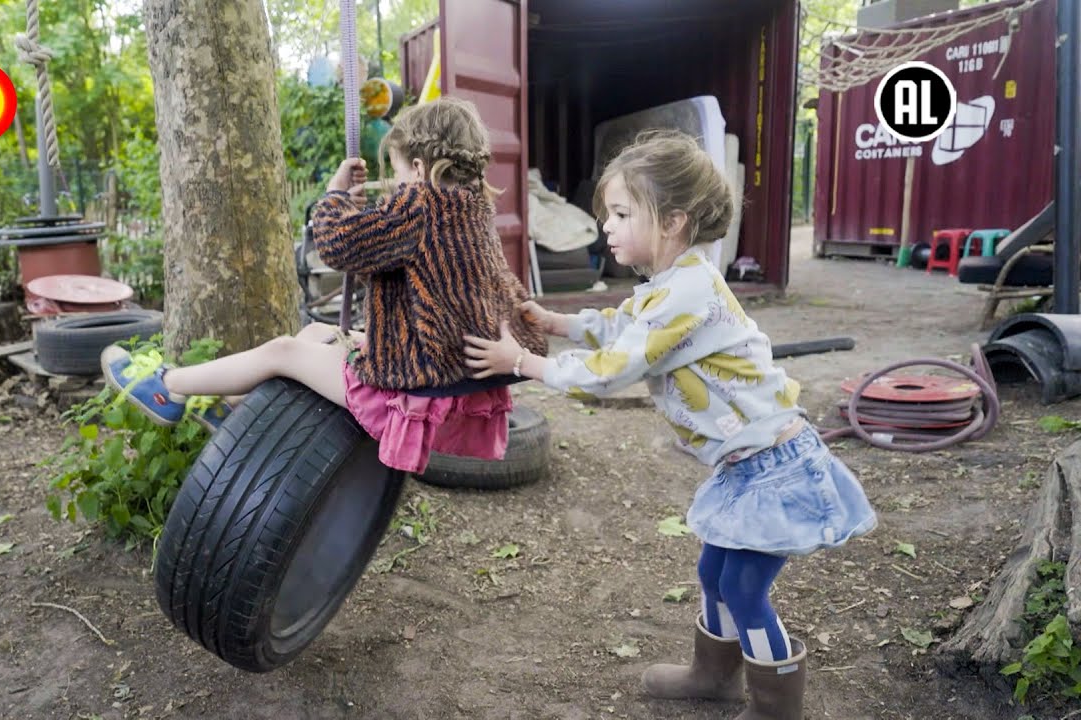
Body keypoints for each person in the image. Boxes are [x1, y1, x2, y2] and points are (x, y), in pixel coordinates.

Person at [463, 131, 876, 720]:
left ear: (674, 221)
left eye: (623, 213)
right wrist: (555, 322)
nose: (607, 225)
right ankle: (713, 676)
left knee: (745, 590)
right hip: (745, 467)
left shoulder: (690, 290)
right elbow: (620, 324)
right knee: (714, 571)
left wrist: (524, 363)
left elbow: (614, 369)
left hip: (776, 468)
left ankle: (776, 709)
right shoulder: (669, 285)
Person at [101, 96, 547, 474]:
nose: (394, 186)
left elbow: (337, 246)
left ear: (417, 166)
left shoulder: (421, 206)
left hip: (414, 391)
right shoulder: (472, 209)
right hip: (448, 376)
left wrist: (333, 198)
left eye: (396, 175)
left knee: (283, 350)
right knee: (315, 332)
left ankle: (169, 388)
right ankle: (233, 408)